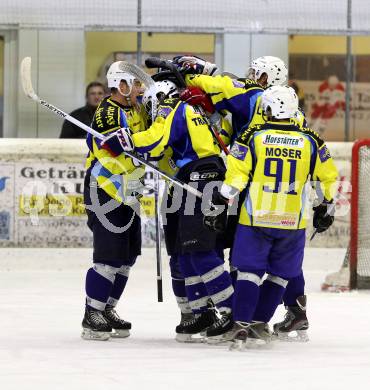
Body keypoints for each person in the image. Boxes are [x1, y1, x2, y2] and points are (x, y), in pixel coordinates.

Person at [174, 54, 313, 340]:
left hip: (252, 190)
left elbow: (222, 87)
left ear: (264, 77)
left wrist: (196, 73)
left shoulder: (253, 96)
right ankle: (296, 307)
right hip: (290, 199)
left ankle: (243, 318)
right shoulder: (296, 116)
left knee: (246, 256)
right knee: (282, 258)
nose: (249, 75)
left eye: (254, 72)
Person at [205, 86, 338, 346]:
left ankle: (241, 325)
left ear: (269, 109)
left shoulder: (252, 135)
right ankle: (258, 323)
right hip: (292, 220)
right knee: (280, 275)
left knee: (249, 273)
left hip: (257, 217)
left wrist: (221, 200)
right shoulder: (312, 139)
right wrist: (325, 207)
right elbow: (327, 178)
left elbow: (237, 176)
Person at [131, 78, 234, 342]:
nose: (151, 113)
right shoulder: (192, 110)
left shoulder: (172, 106)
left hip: (201, 175)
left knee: (198, 249)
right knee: (187, 251)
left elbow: (155, 140)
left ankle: (232, 313)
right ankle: (201, 313)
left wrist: (128, 140)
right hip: (198, 176)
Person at [81, 62, 146, 341]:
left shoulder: (136, 109)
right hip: (105, 189)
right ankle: (92, 313)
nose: (140, 88)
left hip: (129, 191)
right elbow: (106, 148)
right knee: (108, 257)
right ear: (121, 85)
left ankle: (107, 308)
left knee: (126, 257)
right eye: (135, 83)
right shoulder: (108, 112)